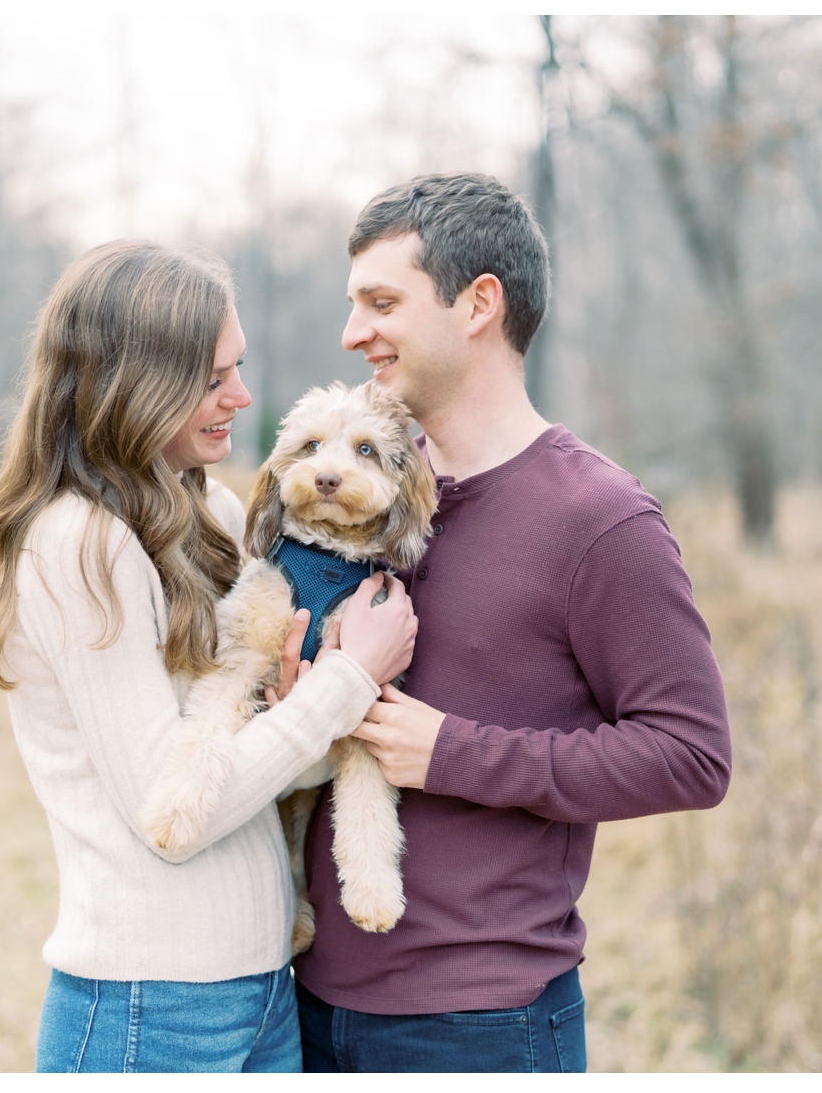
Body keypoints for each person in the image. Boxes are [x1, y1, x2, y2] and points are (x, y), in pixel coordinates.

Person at [292, 173, 732, 1073]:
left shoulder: (600, 521)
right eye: (352, 306)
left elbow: (692, 755)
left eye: (382, 303)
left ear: (479, 304)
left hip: (478, 1026)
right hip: (299, 1000)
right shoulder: (357, 487)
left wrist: (453, 752)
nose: (352, 334)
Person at [0, 240, 418, 1073]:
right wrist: (348, 681)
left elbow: (274, 761)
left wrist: (314, 705)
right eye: (210, 378)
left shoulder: (213, 512)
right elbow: (174, 819)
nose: (239, 397)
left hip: (264, 986)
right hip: (150, 1010)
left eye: (237, 368)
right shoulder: (79, 543)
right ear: (132, 383)